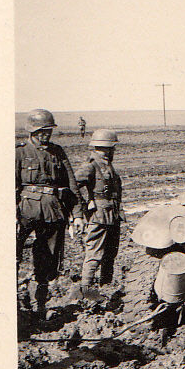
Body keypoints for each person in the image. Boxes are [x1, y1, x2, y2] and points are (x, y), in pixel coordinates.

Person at [16, 109, 79, 319]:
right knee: (13, 257)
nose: (46, 135)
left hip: (52, 211)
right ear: (32, 131)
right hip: (26, 211)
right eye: (42, 131)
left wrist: (76, 214)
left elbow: (71, 185)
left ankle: (41, 304)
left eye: (48, 131)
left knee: (49, 259)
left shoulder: (58, 152)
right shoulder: (20, 152)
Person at [73, 129, 123, 301]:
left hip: (113, 215)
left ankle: (105, 289)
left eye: (110, 148)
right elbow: (73, 187)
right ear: (94, 149)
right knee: (94, 253)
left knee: (110, 253)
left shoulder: (108, 165)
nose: (108, 152)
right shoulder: (90, 166)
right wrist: (86, 203)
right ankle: (86, 291)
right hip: (99, 217)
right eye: (103, 149)